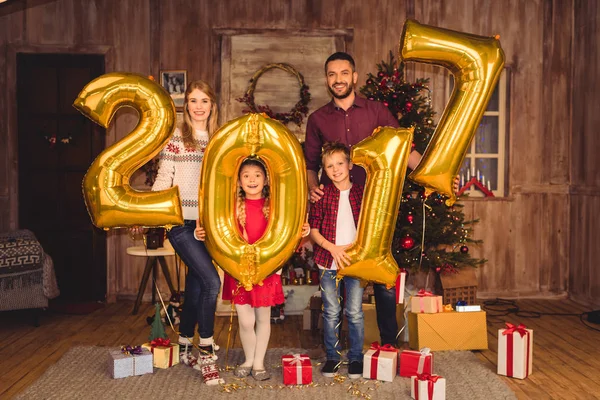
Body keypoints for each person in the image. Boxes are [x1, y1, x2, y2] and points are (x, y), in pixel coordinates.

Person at [304, 52, 423, 349]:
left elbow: (403, 148)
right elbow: (309, 164)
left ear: (354, 76)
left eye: (344, 73)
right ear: (326, 79)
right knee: (334, 280)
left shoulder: (376, 111)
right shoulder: (317, 119)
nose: (338, 79)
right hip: (333, 210)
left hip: (373, 208)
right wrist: (312, 188)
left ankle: (388, 345)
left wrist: (433, 175)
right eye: (332, 74)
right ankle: (338, 350)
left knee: (381, 278)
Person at [196, 157, 310, 381]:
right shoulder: (231, 207)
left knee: (263, 318)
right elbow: (217, 233)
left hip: (266, 271)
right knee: (246, 321)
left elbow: (286, 236)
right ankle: (248, 358)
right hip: (238, 271)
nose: (251, 179)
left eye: (257, 175)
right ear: (238, 181)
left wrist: (301, 231)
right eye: (246, 175)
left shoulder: (274, 207)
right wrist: (203, 233)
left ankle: (257, 363)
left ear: (266, 180)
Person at [147, 80, 222, 358]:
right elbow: (164, 178)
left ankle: (184, 341)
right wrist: (151, 213)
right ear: (186, 105)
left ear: (212, 105)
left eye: (204, 100)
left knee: (196, 285)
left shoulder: (220, 139)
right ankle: (205, 344)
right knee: (212, 282)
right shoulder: (177, 137)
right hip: (181, 223)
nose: (199, 106)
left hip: (209, 225)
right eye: (193, 100)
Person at [308, 142, 365, 379]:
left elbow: (369, 227)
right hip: (327, 261)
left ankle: (356, 358)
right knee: (331, 310)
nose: (336, 169)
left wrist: (353, 250)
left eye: (340, 163)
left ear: (350, 165)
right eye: (329, 166)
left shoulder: (363, 193)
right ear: (324, 170)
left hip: (354, 262)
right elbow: (314, 230)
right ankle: (332, 357)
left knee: (354, 311)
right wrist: (332, 249)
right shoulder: (321, 195)